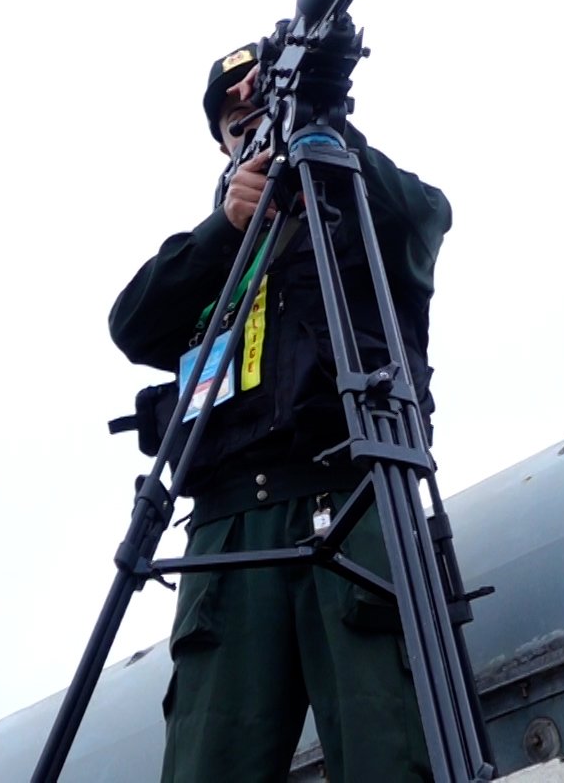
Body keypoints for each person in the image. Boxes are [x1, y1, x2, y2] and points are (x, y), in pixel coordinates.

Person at [109, 44, 452, 782]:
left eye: (262, 104)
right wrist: (224, 231)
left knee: (389, 750)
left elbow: (429, 215)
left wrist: (329, 132)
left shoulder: (365, 205)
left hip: (355, 495)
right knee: (210, 763)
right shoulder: (211, 254)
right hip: (229, 530)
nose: (249, 121)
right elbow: (130, 324)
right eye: (234, 117)